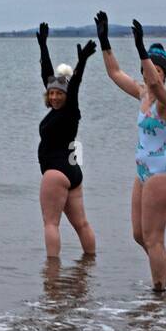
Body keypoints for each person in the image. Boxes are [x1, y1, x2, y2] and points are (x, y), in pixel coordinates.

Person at [98, 11, 166, 290]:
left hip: (163, 174)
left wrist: (142, 50)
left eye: (156, 70)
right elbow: (114, 73)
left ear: (164, 74)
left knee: (153, 238)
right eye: (147, 70)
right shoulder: (142, 94)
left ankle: (158, 297)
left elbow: (156, 85)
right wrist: (104, 41)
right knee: (138, 235)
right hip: (143, 172)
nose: (150, 75)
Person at [36, 23, 97, 257]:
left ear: (66, 95)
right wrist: (43, 46)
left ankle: (52, 276)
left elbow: (76, 85)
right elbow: (47, 76)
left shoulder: (70, 109)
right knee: (81, 224)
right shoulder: (57, 108)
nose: (54, 96)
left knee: (51, 224)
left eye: (59, 93)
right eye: (51, 93)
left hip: (56, 173)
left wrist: (81, 63)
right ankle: (89, 268)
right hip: (73, 173)